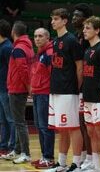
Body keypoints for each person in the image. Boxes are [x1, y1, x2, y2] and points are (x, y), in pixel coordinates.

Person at [47, 8, 83, 172]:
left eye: (55, 19)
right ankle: (61, 163)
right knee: (61, 129)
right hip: (56, 90)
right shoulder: (55, 41)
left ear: (64, 21)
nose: (53, 22)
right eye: (52, 19)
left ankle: (76, 163)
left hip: (68, 91)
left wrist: (76, 88)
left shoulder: (72, 40)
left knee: (73, 127)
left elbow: (79, 67)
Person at [81, 16, 100, 172]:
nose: (84, 31)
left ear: (97, 30)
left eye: (88, 28)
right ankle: (95, 164)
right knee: (91, 131)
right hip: (88, 97)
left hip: (98, 98)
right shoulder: (88, 50)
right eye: (84, 28)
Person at [4, 21, 34, 164]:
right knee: (18, 122)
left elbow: (23, 70)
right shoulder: (27, 46)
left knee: (20, 123)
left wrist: (29, 87)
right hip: (19, 88)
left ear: (13, 32)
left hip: (17, 89)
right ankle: (16, 150)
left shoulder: (18, 49)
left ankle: (26, 153)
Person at [30, 28, 56, 169]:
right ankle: (43, 156)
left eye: (40, 36)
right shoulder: (39, 54)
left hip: (45, 94)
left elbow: (52, 75)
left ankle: (49, 157)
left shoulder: (49, 53)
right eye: (35, 36)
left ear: (47, 38)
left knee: (45, 127)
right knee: (40, 126)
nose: (37, 39)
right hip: (37, 93)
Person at [71, 2, 93, 168]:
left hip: (87, 86)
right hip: (77, 86)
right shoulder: (77, 37)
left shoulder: (88, 40)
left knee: (86, 125)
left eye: (77, 15)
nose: (74, 18)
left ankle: (91, 159)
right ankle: (84, 158)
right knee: (80, 124)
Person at [0, 19, 14, 157]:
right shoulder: (2, 46)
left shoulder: (7, 47)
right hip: (1, 88)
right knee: (3, 120)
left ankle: (12, 147)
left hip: (6, 88)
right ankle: (3, 146)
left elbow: (12, 69)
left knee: (10, 119)